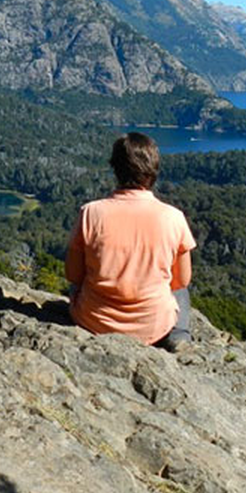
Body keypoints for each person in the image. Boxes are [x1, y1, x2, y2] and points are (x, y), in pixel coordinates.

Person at [65, 132, 195, 350]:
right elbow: (182, 280)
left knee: (79, 284)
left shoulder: (90, 213)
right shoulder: (174, 217)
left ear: (115, 168)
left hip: (94, 322)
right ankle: (178, 335)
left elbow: (72, 274)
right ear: (153, 170)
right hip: (154, 325)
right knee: (180, 292)